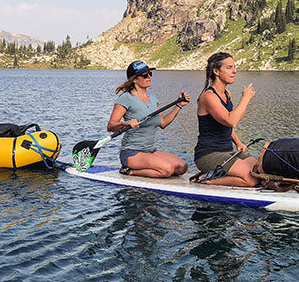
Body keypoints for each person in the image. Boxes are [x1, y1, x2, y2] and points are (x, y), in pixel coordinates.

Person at [107, 60, 191, 178]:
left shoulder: (152, 97)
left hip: (150, 150)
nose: (149, 77)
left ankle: (149, 166)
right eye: (145, 75)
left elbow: (163, 123)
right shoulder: (126, 98)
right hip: (132, 152)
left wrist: (179, 106)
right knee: (167, 169)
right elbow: (110, 126)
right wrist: (125, 123)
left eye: (150, 73)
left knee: (182, 167)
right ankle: (129, 171)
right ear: (135, 79)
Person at [193, 52, 258, 186]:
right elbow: (231, 120)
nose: (234, 71)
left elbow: (225, 124)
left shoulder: (226, 94)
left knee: (260, 170)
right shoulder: (209, 96)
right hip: (208, 154)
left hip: (227, 151)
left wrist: (238, 142)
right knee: (251, 179)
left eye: (234, 67)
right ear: (216, 71)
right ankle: (208, 179)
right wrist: (245, 98)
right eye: (229, 68)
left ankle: (217, 173)